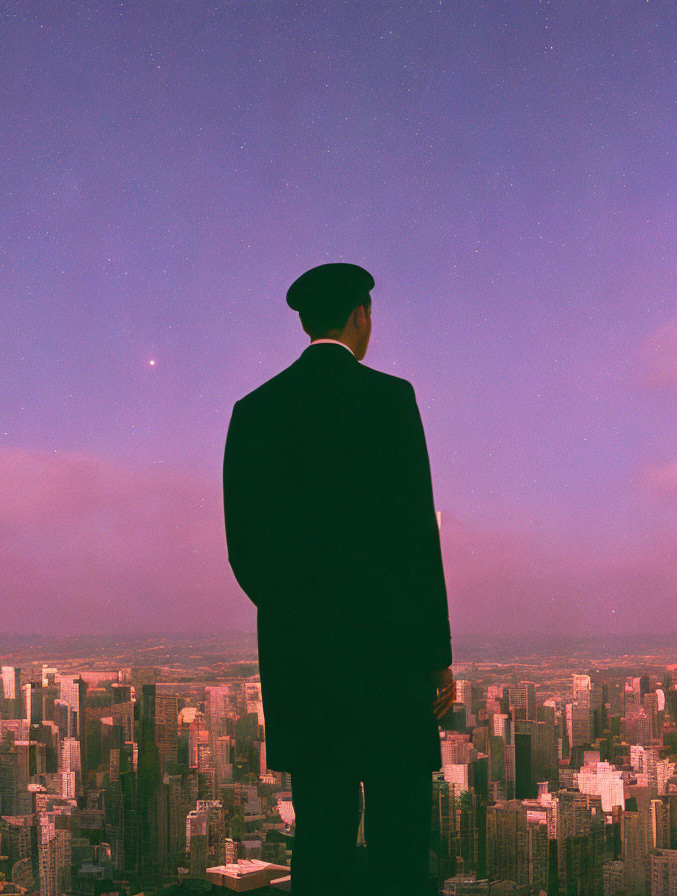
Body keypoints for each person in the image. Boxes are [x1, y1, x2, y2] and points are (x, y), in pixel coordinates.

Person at [222, 262, 455, 895]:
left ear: (305, 322)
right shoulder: (390, 399)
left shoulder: (254, 412)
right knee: (399, 840)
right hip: (393, 660)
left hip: (303, 663)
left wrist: (297, 612)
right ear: (361, 317)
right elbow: (417, 539)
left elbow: (244, 549)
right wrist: (437, 661)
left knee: (321, 837)